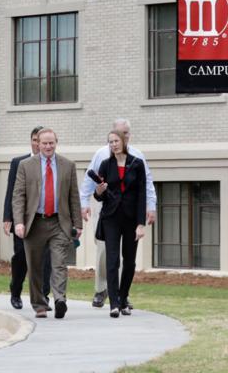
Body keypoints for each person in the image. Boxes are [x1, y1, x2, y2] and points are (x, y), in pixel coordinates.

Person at [80, 118, 156, 308]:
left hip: (129, 214)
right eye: (116, 135)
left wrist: (151, 206)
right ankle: (101, 290)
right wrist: (84, 202)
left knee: (127, 259)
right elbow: (91, 180)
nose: (120, 138)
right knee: (106, 253)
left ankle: (122, 295)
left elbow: (145, 184)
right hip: (109, 211)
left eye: (126, 133)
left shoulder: (137, 158)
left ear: (128, 135)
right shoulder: (102, 156)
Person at [11, 127, 82, 319]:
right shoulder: (26, 165)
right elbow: (18, 196)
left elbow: (73, 196)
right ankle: (39, 305)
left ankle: (60, 300)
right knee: (34, 267)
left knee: (59, 263)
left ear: (56, 143)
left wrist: (78, 224)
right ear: (38, 144)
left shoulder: (68, 165)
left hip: (59, 222)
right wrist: (18, 222)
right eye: (44, 143)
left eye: (51, 143)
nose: (48, 146)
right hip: (34, 223)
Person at [92, 128, 148, 317]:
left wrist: (141, 223)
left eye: (116, 141)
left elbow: (142, 195)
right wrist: (99, 191)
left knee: (130, 261)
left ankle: (123, 299)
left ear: (124, 142)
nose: (113, 144)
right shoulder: (106, 165)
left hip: (131, 218)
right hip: (111, 218)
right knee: (112, 260)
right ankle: (114, 303)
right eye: (110, 142)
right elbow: (98, 197)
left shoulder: (137, 164)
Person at [2, 125, 52, 310]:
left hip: (44, 220)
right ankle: (16, 291)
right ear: (32, 142)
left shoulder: (51, 164)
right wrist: (8, 217)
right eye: (35, 140)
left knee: (45, 259)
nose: (38, 144)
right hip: (22, 220)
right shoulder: (18, 163)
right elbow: (11, 192)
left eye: (41, 141)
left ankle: (43, 296)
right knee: (21, 257)